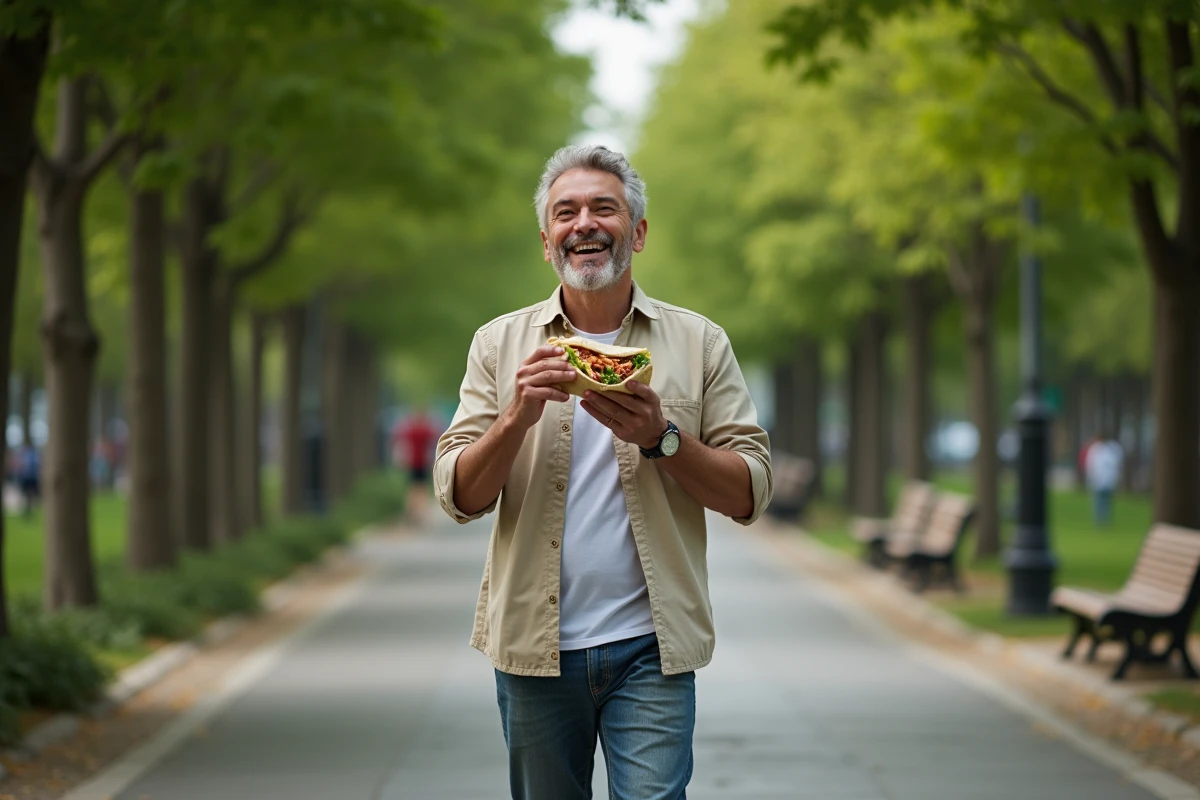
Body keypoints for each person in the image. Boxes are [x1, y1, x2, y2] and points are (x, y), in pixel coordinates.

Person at [434, 144, 772, 800]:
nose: (583, 223)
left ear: (637, 231)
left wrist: (662, 438)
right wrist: (515, 419)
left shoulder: (699, 342)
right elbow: (458, 496)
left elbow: (750, 491)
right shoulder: (499, 344)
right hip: (533, 648)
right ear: (546, 241)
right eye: (566, 212)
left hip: (652, 648)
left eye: (603, 208)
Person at [392, 407, 440, 523]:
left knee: (413, 487)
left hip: (413, 463)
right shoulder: (425, 430)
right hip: (423, 463)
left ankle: (412, 511)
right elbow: (436, 439)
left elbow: (400, 441)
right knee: (422, 488)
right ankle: (419, 512)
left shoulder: (411, 431)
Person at [1085, 431, 1124, 527]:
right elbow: (1090, 464)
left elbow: (1117, 463)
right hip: (1099, 479)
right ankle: (1100, 520)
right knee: (1099, 501)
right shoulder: (1096, 449)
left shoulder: (1111, 448)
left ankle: (1105, 520)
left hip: (1108, 479)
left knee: (1105, 500)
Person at [15, 441, 40, 517]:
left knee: (29, 493)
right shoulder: (31, 454)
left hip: (29, 477)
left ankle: (28, 506)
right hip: (28, 477)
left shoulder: (28, 454)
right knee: (28, 493)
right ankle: (28, 506)